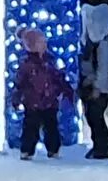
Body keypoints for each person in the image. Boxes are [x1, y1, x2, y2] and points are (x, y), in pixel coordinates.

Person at [9, 26, 69, 159]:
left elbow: (58, 77)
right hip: (32, 103)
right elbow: (20, 83)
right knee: (31, 128)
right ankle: (27, 150)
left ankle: (53, 149)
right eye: (41, 42)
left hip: (50, 102)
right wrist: (17, 98)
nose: (44, 45)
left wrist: (64, 89)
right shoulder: (27, 64)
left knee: (51, 127)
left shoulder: (50, 61)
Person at [74, 2, 108, 160]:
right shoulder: (91, 44)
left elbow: (103, 69)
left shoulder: (104, 45)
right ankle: (100, 145)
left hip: (99, 89)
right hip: (90, 86)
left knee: (95, 116)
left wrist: (97, 87)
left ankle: (104, 146)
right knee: (91, 117)